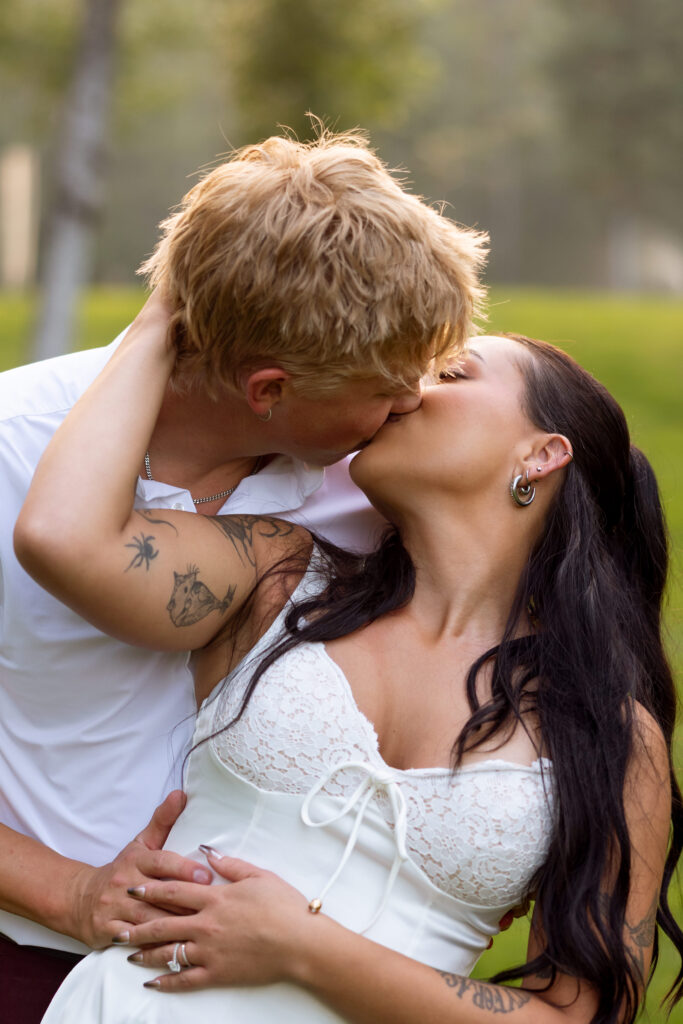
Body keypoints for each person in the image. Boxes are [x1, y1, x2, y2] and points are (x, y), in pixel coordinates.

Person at [15, 318, 683, 1024]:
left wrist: (306, 948)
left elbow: (581, 1015)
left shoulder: (607, 735)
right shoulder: (275, 576)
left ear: (541, 455)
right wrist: (168, 316)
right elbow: (64, 538)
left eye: (449, 374)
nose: (407, 392)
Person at [0, 130, 486, 1022]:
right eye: (388, 385)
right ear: (269, 390)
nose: (413, 400)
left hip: (282, 985)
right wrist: (68, 892)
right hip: (27, 967)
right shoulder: (10, 447)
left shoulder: (379, 484)